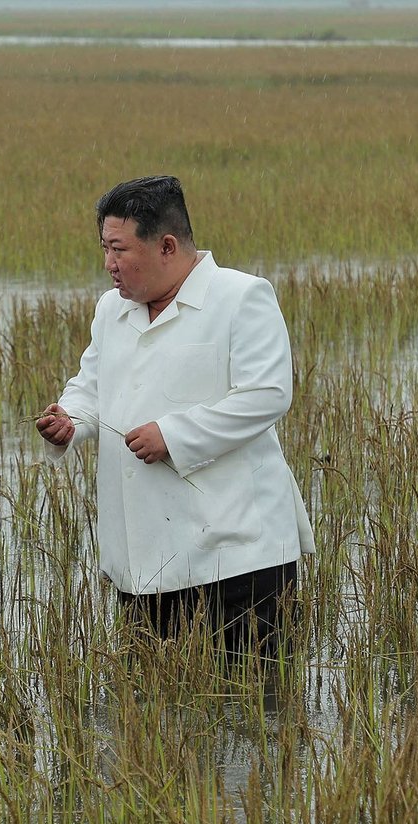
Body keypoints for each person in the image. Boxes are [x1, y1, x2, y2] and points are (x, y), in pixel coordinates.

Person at [36, 175, 315, 661]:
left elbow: (267, 394)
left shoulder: (241, 297)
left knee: (252, 711)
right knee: (154, 717)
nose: (108, 265)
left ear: (167, 245)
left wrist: (173, 435)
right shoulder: (111, 311)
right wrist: (71, 421)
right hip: (143, 561)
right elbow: (91, 386)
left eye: (119, 250)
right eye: (104, 248)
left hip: (237, 563)